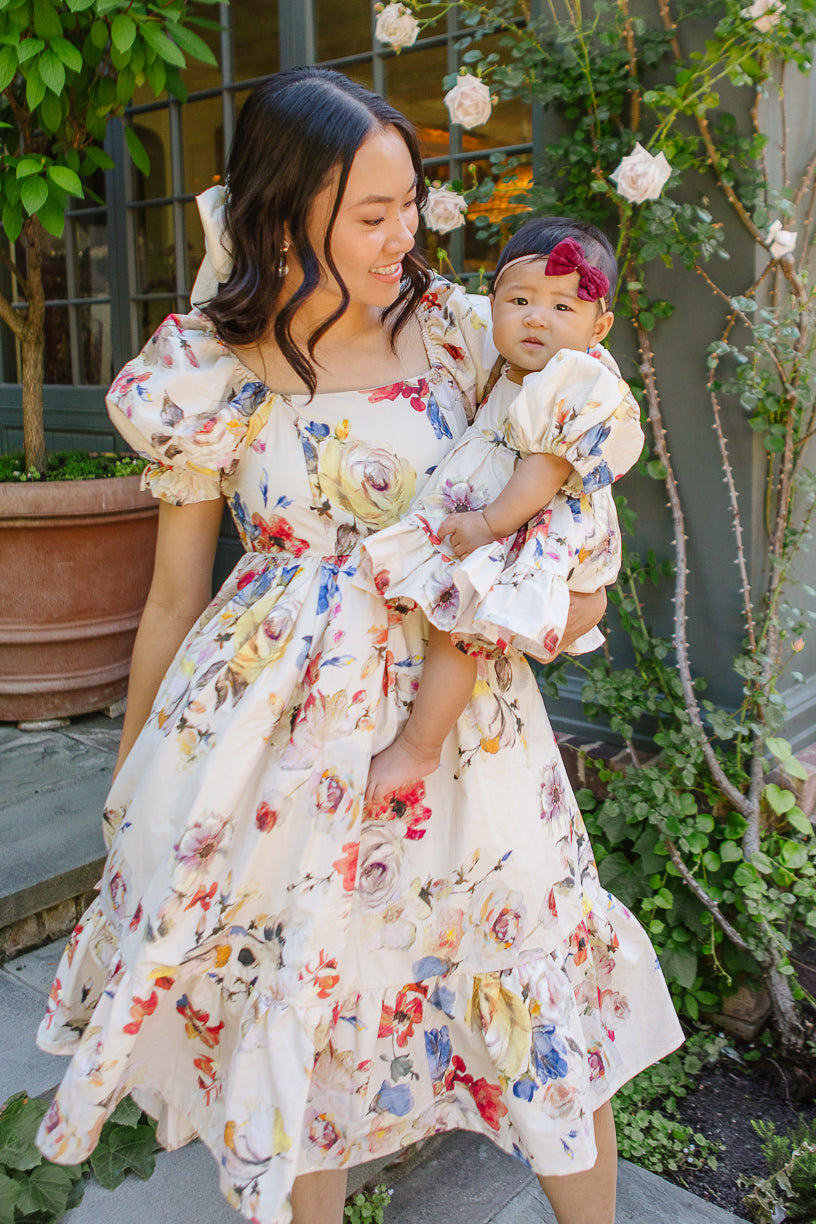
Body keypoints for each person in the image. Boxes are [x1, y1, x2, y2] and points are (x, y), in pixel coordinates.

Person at [34, 68, 683, 1224]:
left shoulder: (456, 333)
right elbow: (175, 595)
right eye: (370, 217)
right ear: (285, 215)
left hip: (465, 736)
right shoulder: (209, 366)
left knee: (531, 999)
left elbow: (565, 488)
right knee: (302, 1015)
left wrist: (573, 600)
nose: (403, 238)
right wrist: (134, 784)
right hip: (272, 750)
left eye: (408, 206)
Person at [362, 218, 643, 802]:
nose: (537, 317)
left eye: (564, 306)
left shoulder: (574, 377)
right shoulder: (517, 370)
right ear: (493, 308)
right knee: (456, 627)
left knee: (460, 631)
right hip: (513, 519)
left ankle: (419, 746)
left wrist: (489, 526)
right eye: (520, 300)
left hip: (526, 525)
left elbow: (544, 471)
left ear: (601, 326)